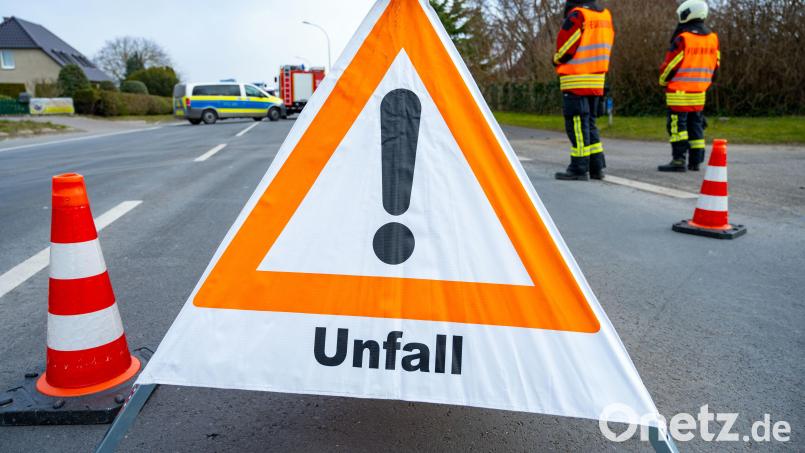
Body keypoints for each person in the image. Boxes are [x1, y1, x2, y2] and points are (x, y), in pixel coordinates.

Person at [553, 0, 615, 181]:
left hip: (576, 79)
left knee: (577, 126)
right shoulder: (605, 15)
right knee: (590, 124)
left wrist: (556, 59)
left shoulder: (578, 15)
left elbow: (567, 45)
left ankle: (579, 168)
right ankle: (597, 167)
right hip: (596, 80)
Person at [658, 0, 720, 172]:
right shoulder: (713, 39)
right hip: (699, 92)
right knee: (696, 125)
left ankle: (678, 160)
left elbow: (671, 65)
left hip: (679, 92)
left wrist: (662, 81)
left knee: (678, 127)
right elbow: (716, 67)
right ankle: (695, 161)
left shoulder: (683, 39)